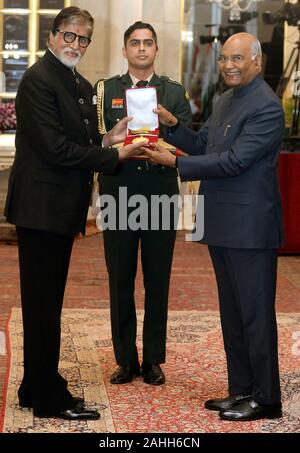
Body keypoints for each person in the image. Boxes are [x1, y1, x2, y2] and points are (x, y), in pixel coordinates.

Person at [4, 7, 145, 421]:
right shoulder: (38, 80)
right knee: (43, 305)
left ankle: (35, 385)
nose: (76, 45)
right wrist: (112, 154)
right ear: (53, 35)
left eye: (83, 39)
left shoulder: (77, 83)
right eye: (69, 36)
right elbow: (55, 149)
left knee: (47, 303)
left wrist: (108, 137)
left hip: (60, 209)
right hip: (41, 209)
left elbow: (75, 142)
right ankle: (46, 396)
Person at [145, 32, 284, 421]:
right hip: (222, 221)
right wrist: (172, 128)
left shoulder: (267, 108)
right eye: (224, 59)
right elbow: (206, 146)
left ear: (257, 62)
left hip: (251, 227)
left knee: (255, 314)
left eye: (238, 59)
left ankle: (267, 398)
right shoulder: (224, 99)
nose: (229, 66)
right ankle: (242, 389)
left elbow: (235, 161)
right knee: (232, 313)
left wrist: (175, 164)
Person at [95, 21, 192, 385]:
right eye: (134, 43)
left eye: (147, 43)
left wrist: (167, 120)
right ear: (125, 50)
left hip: (160, 190)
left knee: (157, 277)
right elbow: (96, 140)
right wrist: (112, 140)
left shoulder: (173, 91)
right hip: (118, 189)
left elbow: (187, 139)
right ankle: (125, 359)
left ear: (155, 49)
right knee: (120, 277)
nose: (141, 49)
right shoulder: (105, 90)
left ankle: (152, 358)